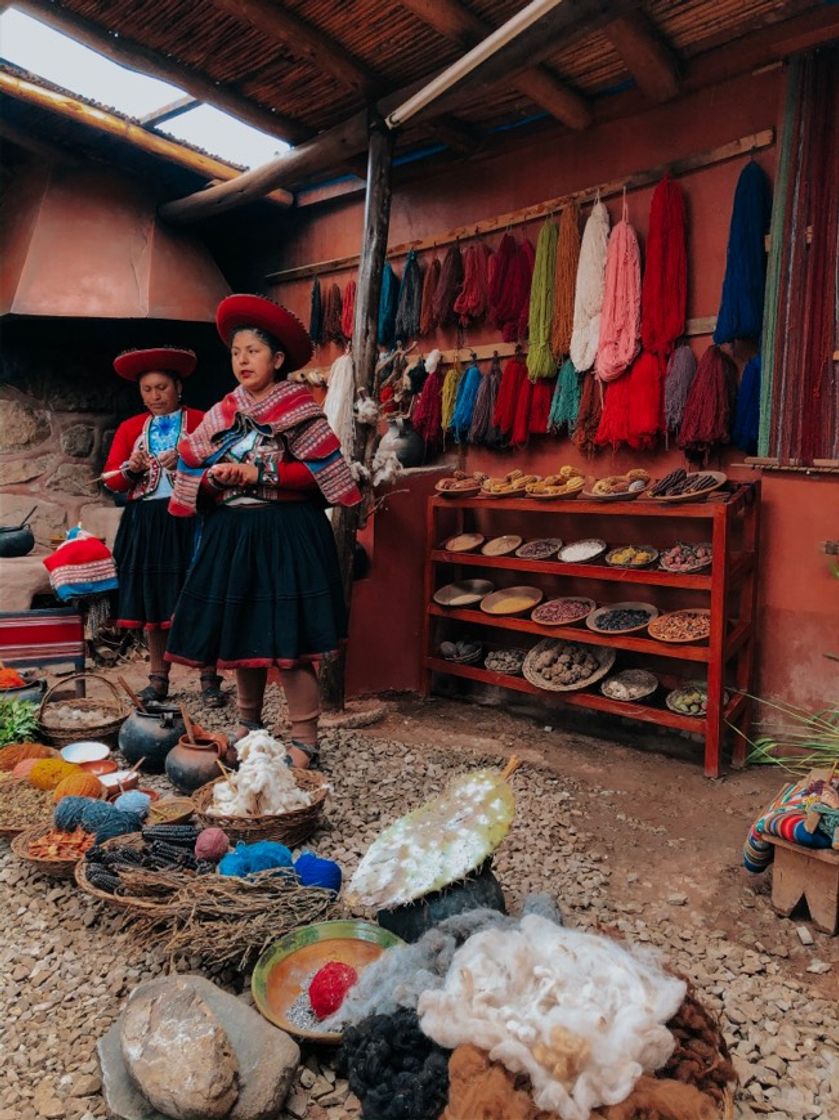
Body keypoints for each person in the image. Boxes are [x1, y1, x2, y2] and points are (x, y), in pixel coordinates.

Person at [166, 295, 361, 768]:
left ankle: (305, 739)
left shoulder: (300, 409)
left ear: (277, 360)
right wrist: (213, 480)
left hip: (286, 536)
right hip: (233, 537)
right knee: (242, 635)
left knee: (289, 643)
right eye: (236, 352)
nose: (242, 360)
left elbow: (327, 478)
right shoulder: (220, 413)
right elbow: (193, 470)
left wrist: (259, 476)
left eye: (253, 351)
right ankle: (248, 725)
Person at [103, 347, 226, 706]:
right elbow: (112, 480)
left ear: (178, 387)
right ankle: (158, 680)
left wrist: (190, 456)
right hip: (148, 521)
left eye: (162, 388)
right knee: (153, 600)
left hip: (193, 517)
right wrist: (133, 468)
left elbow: (224, 465)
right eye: (147, 390)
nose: (155, 396)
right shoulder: (130, 429)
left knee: (200, 593)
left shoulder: (204, 421)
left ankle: (208, 678)